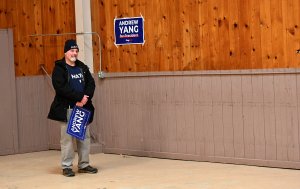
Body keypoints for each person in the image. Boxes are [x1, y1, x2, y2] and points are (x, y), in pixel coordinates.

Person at [48, 39, 98, 177]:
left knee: (84, 138)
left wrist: (85, 98)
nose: (74, 53)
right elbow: (61, 88)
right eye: (71, 50)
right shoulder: (59, 68)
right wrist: (78, 98)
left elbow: (91, 84)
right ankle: (67, 167)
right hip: (67, 109)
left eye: (76, 51)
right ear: (65, 52)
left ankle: (84, 165)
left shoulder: (82, 67)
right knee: (67, 140)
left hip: (82, 109)